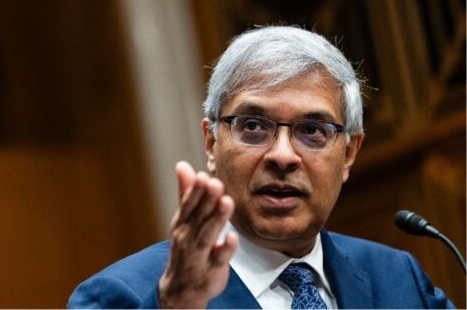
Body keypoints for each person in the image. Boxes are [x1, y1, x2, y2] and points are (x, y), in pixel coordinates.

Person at [68, 26, 453, 309]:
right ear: (211, 143)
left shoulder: (399, 280)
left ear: (349, 153)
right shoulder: (122, 296)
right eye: (253, 127)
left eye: (312, 130)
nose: (283, 156)